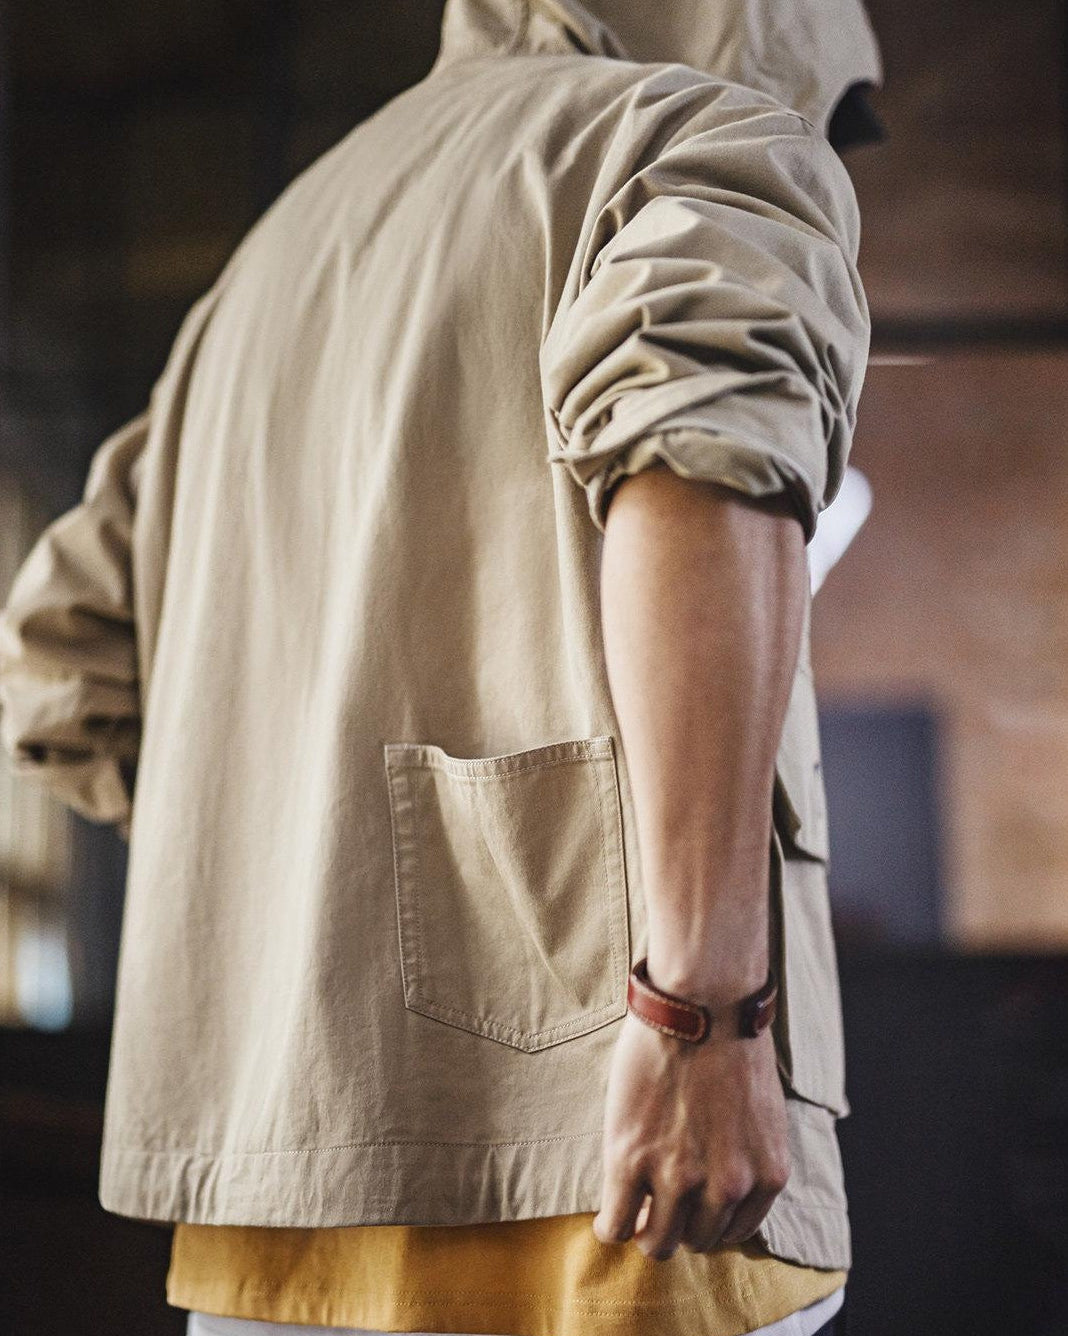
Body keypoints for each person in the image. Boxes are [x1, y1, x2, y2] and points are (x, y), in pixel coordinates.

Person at [0, 2, 882, 1333]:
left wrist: (283, 868)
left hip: (278, 1205)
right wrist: (702, 1018)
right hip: (606, 1167)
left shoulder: (264, 266)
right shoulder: (694, 141)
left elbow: (57, 658)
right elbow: (706, 459)